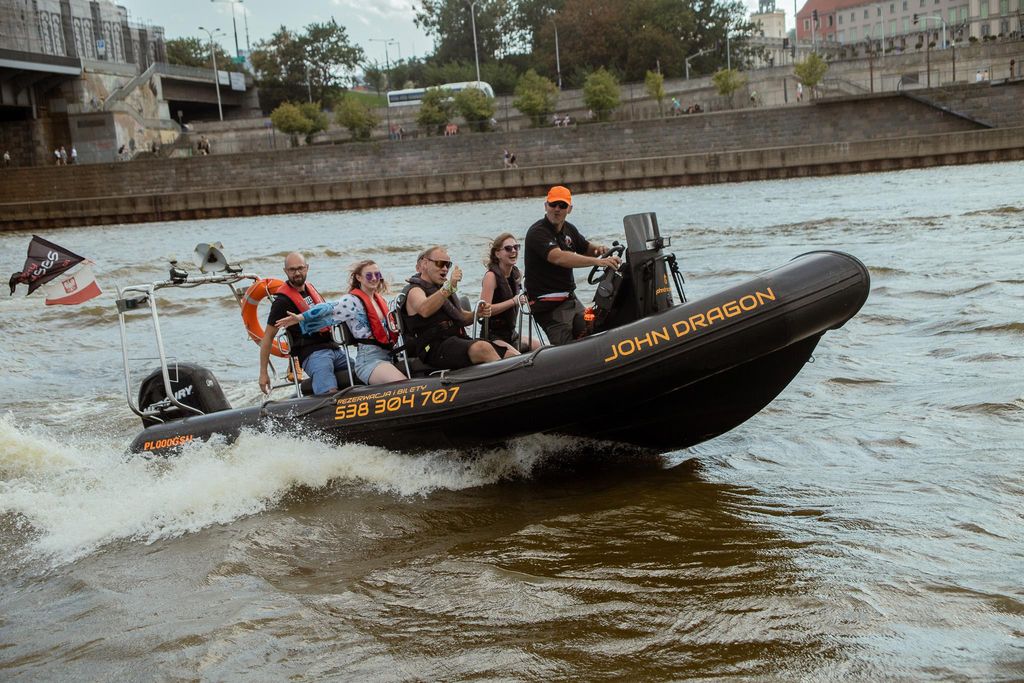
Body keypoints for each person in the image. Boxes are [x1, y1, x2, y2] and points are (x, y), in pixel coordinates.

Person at [275, 260, 407, 385]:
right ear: (359, 278)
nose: (373, 278)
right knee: (403, 383)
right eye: (368, 275)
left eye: (377, 274)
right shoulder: (351, 301)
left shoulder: (381, 300)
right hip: (370, 360)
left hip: (388, 355)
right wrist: (301, 317)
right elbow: (327, 307)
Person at [524, 186, 621, 346]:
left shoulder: (569, 229)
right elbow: (559, 257)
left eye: (562, 205)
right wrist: (597, 262)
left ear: (569, 209)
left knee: (595, 327)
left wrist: (601, 250)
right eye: (553, 204)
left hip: (571, 301)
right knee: (568, 350)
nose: (557, 209)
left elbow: (587, 248)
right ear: (545, 206)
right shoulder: (537, 232)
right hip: (549, 308)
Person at [403, 246, 514, 370]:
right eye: (440, 264)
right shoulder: (415, 290)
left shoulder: (441, 289)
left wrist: (477, 314)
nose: (445, 268)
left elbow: (461, 316)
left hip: (455, 340)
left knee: (507, 352)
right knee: (482, 348)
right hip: (433, 347)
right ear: (425, 263)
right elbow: (424, 310)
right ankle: (506, 382)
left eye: (448, 265)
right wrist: (449, 287)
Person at [258, 252, 351, 396]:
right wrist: (263, 374)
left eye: (300, 268)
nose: (297, 273)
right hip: (313, 354)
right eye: (292, 269)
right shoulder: (281, 302)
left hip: (335, 349)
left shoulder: (311, 290)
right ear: (285, 271)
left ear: (307, 268)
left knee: (361, 374)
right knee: (329, 391)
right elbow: (268, 338)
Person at [480, 233, 541, 353]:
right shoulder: (491, 277)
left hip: (511, 334)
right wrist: (513, 301)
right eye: (508, 248)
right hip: (492, 336)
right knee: (516, 357)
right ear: (498, 254)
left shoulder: (517, 274)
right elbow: (483, 311)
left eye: (516, 247)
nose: (513, 251)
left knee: (541, 348)